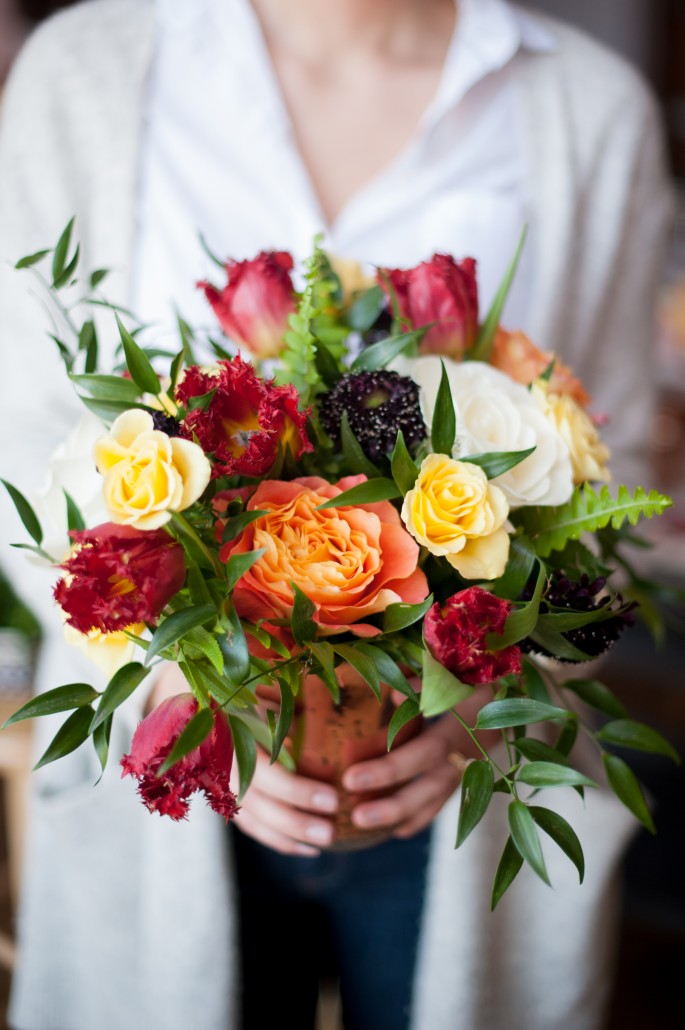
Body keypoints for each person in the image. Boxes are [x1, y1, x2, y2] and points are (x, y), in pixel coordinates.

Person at [0, 0, 670, 1028]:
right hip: (171, 796)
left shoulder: (588, 109)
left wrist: (479, 699)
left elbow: (606, 477)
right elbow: (27, 431)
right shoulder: (85, 68)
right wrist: (190, 697)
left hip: (466, 793)